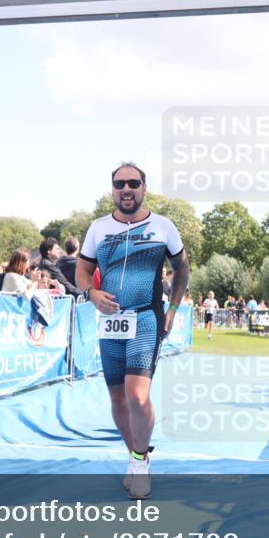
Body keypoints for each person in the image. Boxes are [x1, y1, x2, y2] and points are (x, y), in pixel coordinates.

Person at [76, 162, 189, 500]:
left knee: (138, 396)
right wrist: (92, 294)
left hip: (146, 319)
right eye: (119, 184)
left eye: (133, 183)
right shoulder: (97, 228)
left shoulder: (163, 226)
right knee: (118, 398)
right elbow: (83, 271)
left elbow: (182, 270)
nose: (126, 189)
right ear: (112, 189)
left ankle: (140, 463)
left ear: (144, 188)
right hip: (110, 322)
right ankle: (136, 454)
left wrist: (172, 309)